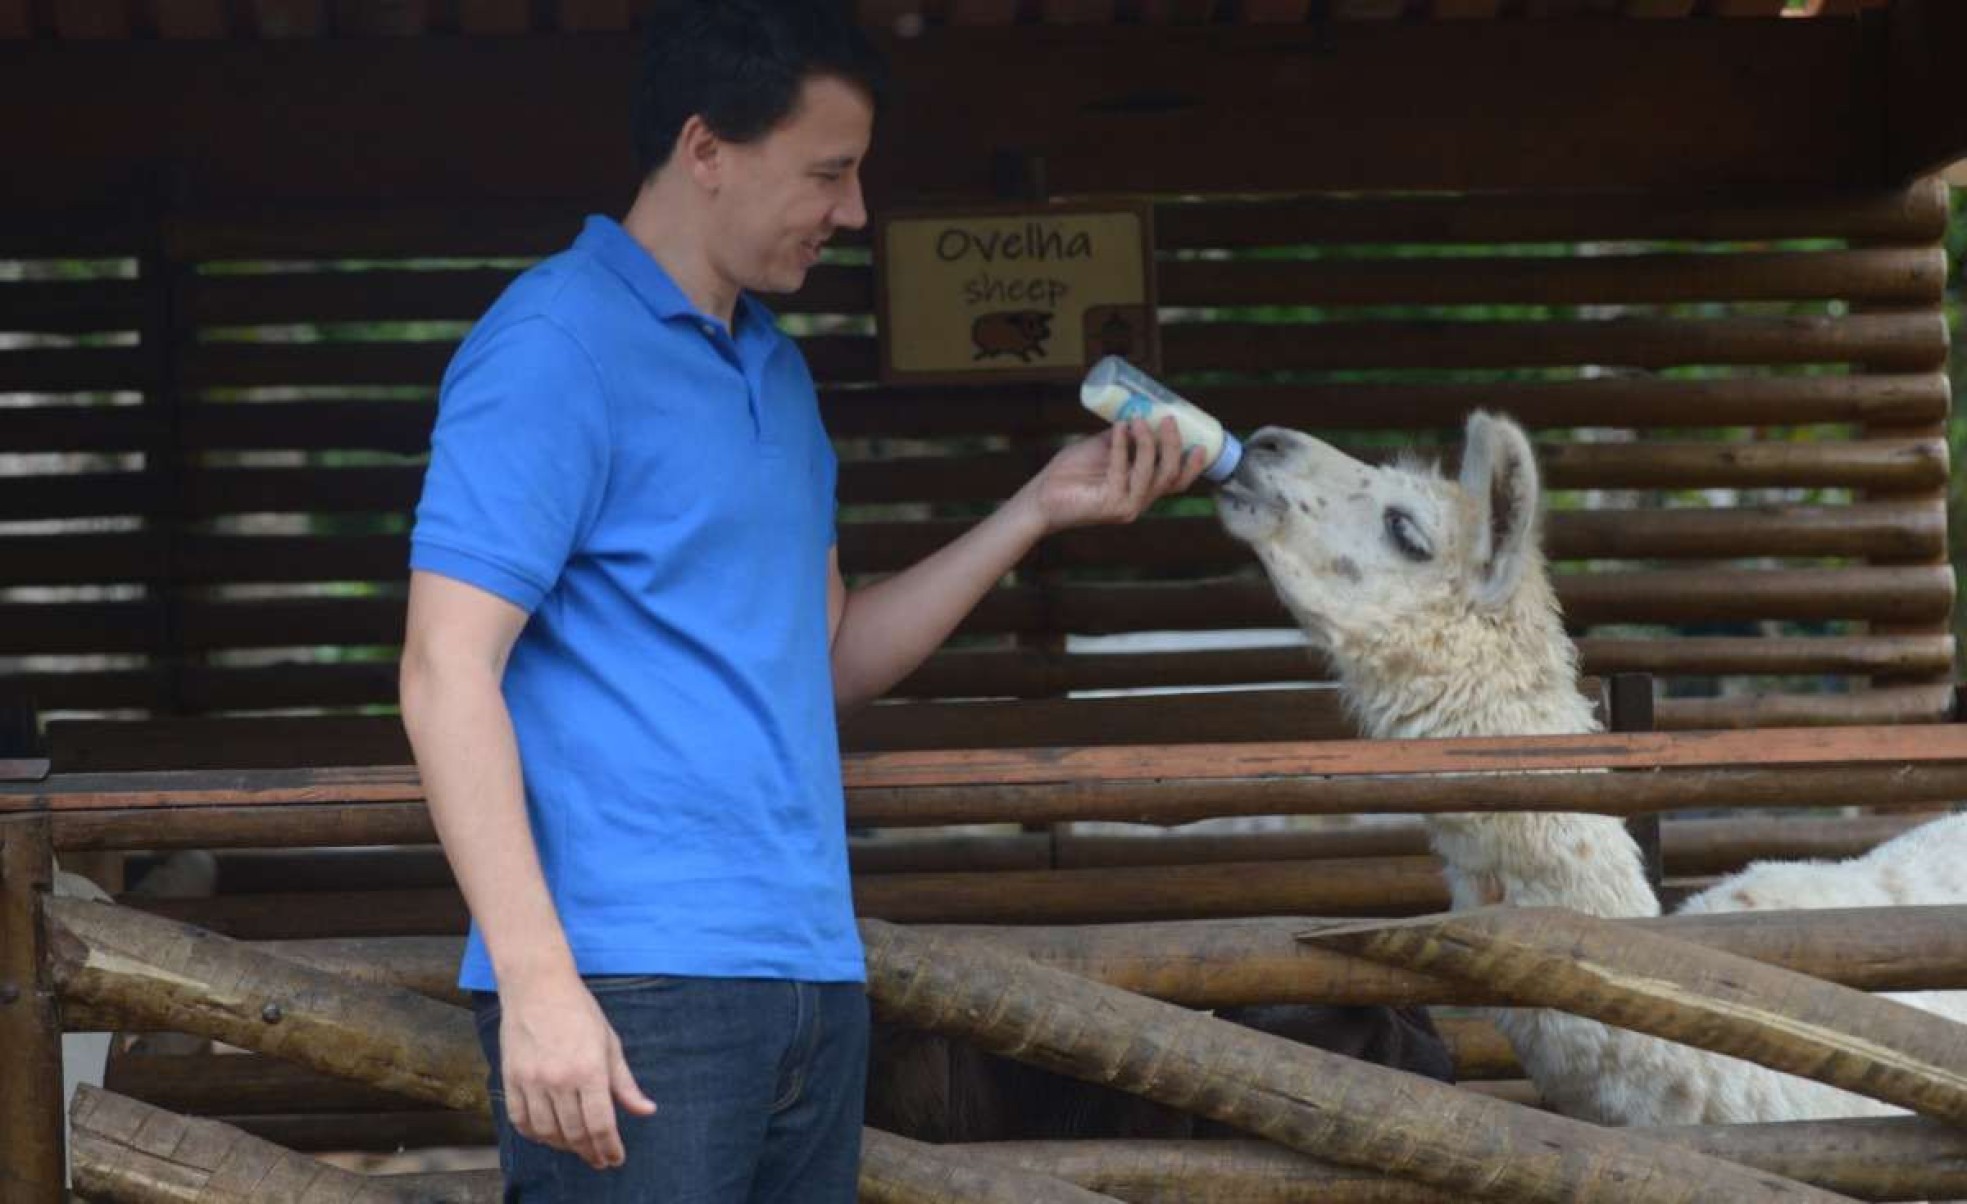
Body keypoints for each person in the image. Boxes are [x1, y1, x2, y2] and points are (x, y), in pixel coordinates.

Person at [397, 1, 1206, 1200]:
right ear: (705, 149)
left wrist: (1034, 508)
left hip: (808, 978)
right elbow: (442, 668)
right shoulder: (551, 346)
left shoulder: (776, 365)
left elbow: (820, 659)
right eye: (827, 172)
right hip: (631, 986)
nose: (855, 211)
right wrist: (538, 983)